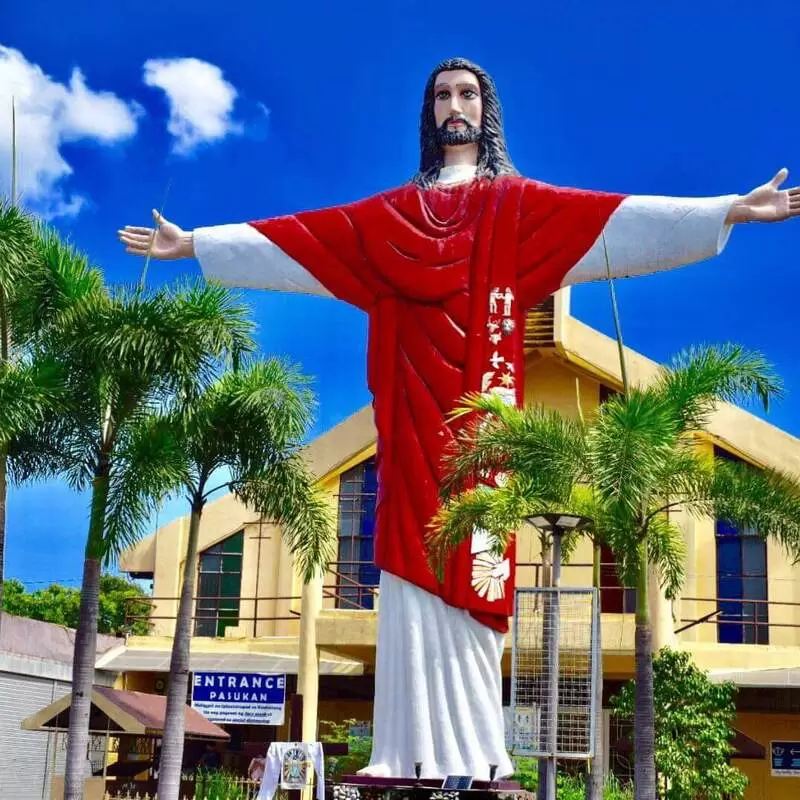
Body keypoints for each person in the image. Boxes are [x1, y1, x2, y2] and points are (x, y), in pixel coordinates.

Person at [119, 57, 799, 780]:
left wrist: (726, 209)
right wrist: (195, 244)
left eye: (467, 94)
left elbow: (616, 219)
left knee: (476, 577)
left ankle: (479, 755)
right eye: (443, 94)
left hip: (480, 433)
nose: (455, 105)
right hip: (411, 430)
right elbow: (304, 240)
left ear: (486, 109)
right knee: (409, 583)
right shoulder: (389, 218)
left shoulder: (516, 207)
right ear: (428, 111)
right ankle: (397, 754)